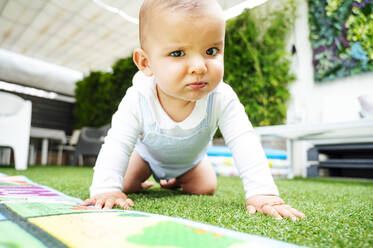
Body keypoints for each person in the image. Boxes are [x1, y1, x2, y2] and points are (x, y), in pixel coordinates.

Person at [82, 0, 305, 221]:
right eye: (178, 53)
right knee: (126, 184)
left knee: (206, 187)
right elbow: (117, 143)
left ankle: (176, 180)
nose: (199, 66)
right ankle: (144, 180)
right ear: (145, 63)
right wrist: (106, 188)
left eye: (211, 50)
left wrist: (263, 192)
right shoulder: (138, 98)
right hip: (146, 158)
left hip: (191, 162)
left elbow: (244, 141)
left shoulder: (221, 98)